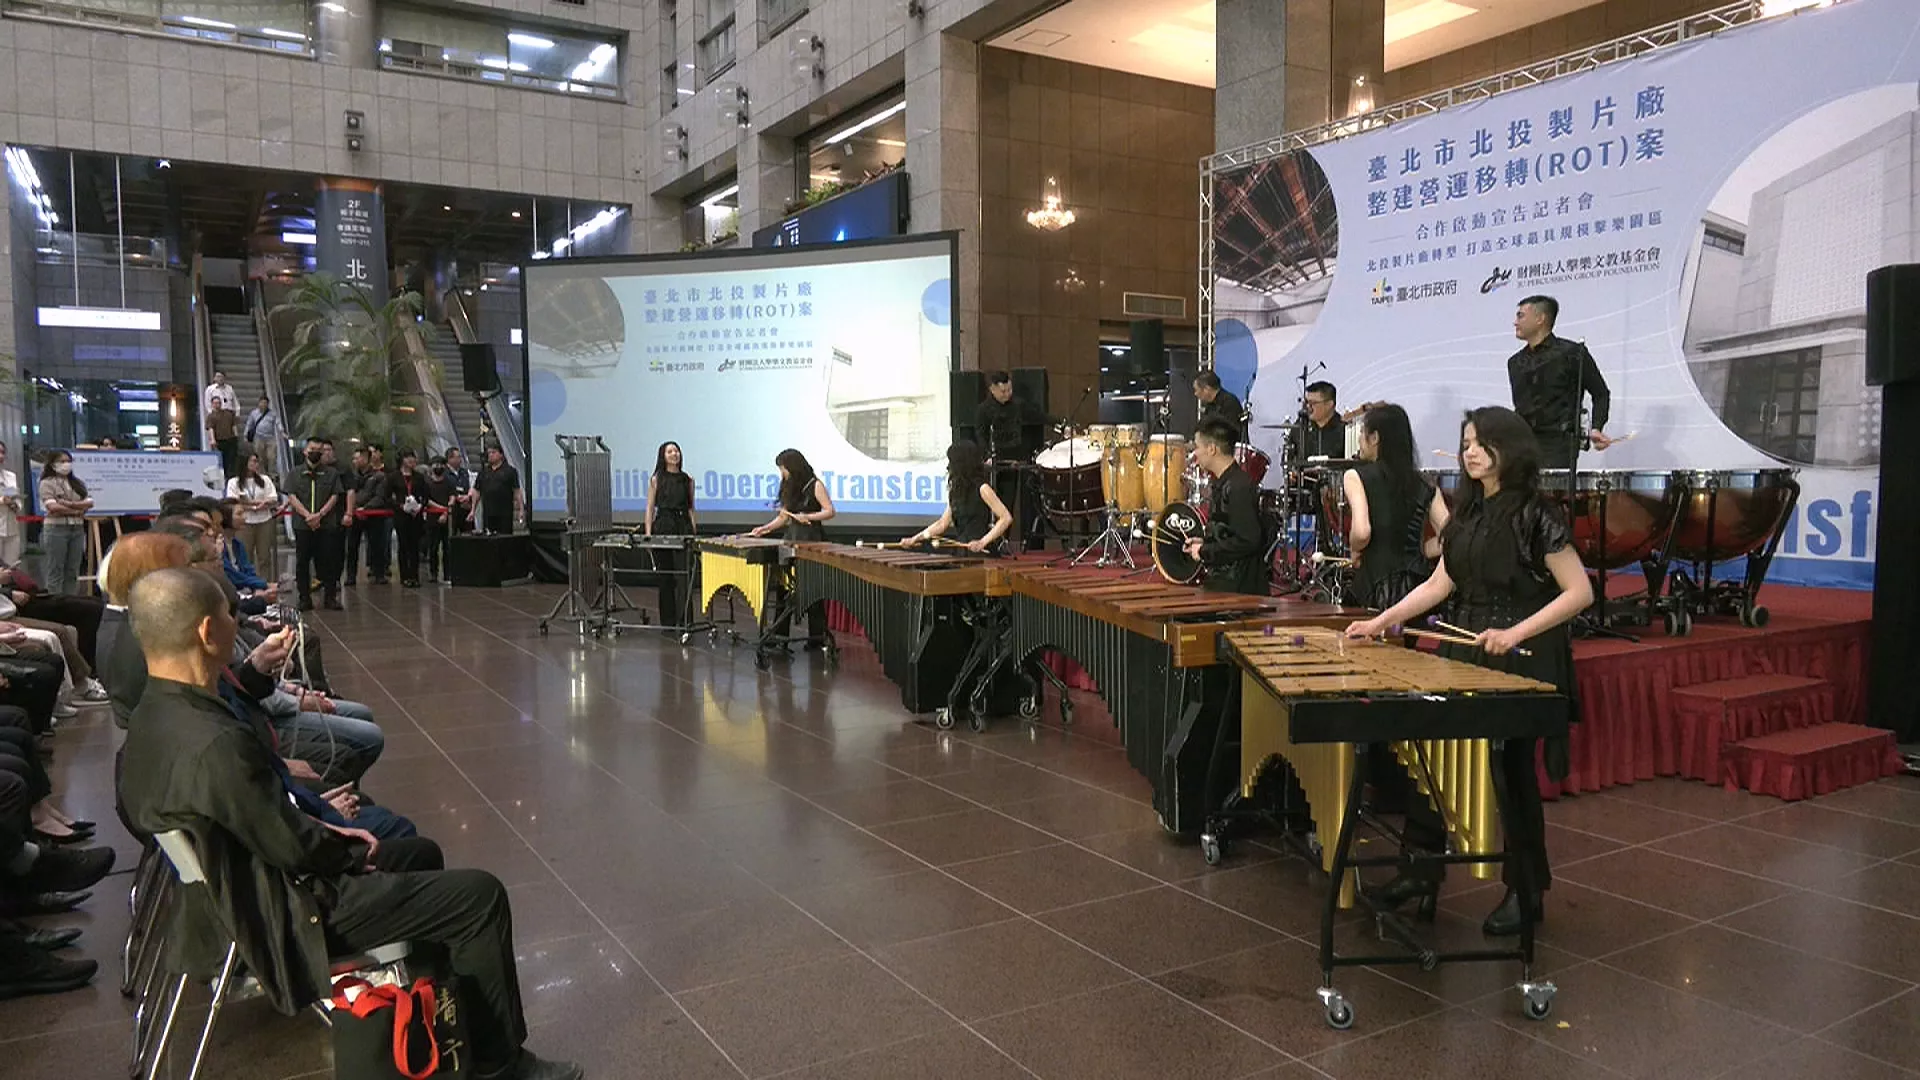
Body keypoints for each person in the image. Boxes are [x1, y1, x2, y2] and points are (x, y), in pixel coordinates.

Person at [117, 568, 583, 1080]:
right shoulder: (215, 743)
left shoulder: (152, 717)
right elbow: (295, 848)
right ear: (208, 632)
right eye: (229, 615)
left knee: (420, 853)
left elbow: (258, 823)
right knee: (479, 898)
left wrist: (329, 834)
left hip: (227, 895)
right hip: (277, 911)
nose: (236, 622)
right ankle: (500, 1066)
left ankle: (436, 1023)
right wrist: (350, 849)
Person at [1343, 406, 1590, 937]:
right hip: (1469, 649)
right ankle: (1420, 872)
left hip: (1522, 658)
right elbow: (1439, 585)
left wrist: (1515, 633)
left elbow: (1579, 591)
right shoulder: (1468, 516)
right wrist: (1381, 621)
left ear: (1509, 449)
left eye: (1481, 443)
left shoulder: (1537, 514)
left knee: (1510, 774)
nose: (1470, 452)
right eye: (1467, 443)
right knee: (1433, 758)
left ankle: (1525, 891)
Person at [1341, 404, 1450, 611]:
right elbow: (1451, 538)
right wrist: (1421, 550)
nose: (1359, 440)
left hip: (1374, 590)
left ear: (1375, 438)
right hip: (1418, 593)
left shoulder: (1355, 476)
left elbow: (1362, 532)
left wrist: (1355, 549)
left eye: (1362, 433)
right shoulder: (1426, 483)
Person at [1508, 295, 1613, 470]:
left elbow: (1600, 393)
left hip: (1559, 444)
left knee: (1552, 486)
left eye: (1521, 316)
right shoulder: (1515, 362)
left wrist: (1596, 427)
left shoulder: (1572, 353)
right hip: (1522, 443)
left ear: (1540, 319)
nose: (1515, 322)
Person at [749, 449, 835, 646]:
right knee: (784, 588)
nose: (782, 473)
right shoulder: (788, 486)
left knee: (812, 590)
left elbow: (830, 511)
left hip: (811, 541)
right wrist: (765, 528)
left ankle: (817, 638)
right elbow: (783, 517)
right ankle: (780, 637)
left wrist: (808, 516)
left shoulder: (815, 485)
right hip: (791, 540)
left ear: (793, 467)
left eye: (783, 468)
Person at [1184, 419, 1268, 595]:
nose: (1194, 454)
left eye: (1197, 447)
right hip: (1224, 582)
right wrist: (1205, 543)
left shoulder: (1238, 487)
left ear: (1212, 449)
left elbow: (1248, 540)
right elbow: (1229, 532)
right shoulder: (1224, 482)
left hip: (1239, 589)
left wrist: (1205, 551)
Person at [903, 441, 1013, 555]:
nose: (948, 466)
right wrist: (915, 538)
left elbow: (1006, 517)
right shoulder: (956, 492)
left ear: (961, 464)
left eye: (951, 462)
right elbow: (942, 524)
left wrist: (982, 542)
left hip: (982, 552)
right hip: (962, 551)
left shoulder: (983, 488)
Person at [972, 372, 1041, 551]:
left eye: (1009, 390)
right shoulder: (984, 410)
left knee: (1007, 503)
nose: (1007, 394)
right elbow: (980, 434)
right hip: (992, 463)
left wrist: (1059, 422)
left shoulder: (1017, 405)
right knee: (991, 503)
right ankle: (988, 541)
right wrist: (986, 455)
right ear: (992, 389)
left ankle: (1003, 541)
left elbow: (1037, 416)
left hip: (1012, 461)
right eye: (1003, 391)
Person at [284, 436, 348, 611]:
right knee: (302, 562)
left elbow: (335, 496)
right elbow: (292, 496)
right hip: (303, 525)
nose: (316, 453)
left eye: (319, 450)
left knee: (328, 561)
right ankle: (304, 598)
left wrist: (319, 515)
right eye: (312, 449)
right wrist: (308, 516)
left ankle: (330, 597)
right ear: (305, 451)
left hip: (326, 524)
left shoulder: (331, 473)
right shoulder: (295, 473)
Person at [36, 451, 91, 596]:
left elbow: (89, 503)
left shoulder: (77, 483)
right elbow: (53, 507)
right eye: (62, 461)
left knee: (73, 570)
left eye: (68, 461)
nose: (66, 464)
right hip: (56, 529)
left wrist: (68, 504)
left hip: (77, 529)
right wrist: (77, 510)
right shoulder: (46, 483)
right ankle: (55, 602)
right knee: (55, 569)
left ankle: (70, 600)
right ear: (52, 464)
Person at [226, 453, 281, 576]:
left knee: (264, 557)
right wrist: (255, 504)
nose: (255, 464)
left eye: (256, 461)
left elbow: (273, 499)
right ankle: (247, 582)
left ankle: (265, 582)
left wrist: (253, 503)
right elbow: (233, 502)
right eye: (252, 461)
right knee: (245, 556)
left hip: (264, 520)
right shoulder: (234, 482)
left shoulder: (265, 479)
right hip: (244, 523)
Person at [344, 447, 391, 587]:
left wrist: (366, 508)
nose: (354, 461)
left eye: (357, 458)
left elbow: (380, 496)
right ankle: (351, 575)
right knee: (352, 546)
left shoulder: (379, 476)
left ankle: (379, 573)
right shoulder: (351, 476)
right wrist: (352, 509)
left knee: (377, 545)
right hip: (354, 514)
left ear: (365, 459)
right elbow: (349, 493)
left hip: (374, 515)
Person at [389, 449, 430, 589]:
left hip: (416, 515)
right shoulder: (394, 477)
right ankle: (404, 576)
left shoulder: (419, 477)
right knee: (403, 545)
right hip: (401, 515)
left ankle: (414, 575)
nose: (412, 460)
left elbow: (426, 494)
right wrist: (400, 506)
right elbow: (387, 496)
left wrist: (420, 506)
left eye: (413, 457)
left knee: (414, 546)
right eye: (408, 457)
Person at [1289, 380, 1345, 462]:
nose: (1308, 406)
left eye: (1312, 403)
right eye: (1306, 402)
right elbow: (1289, 461)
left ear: (1329, 404)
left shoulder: (1345, 430)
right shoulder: (1299, 428)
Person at [474, 444, 522, 535]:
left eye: (493, 452)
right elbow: (477, 491)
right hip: (488, 513)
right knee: (488, 537)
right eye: (489, 453)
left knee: (504, 537)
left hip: (504, 513)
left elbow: (517, 490)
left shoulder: (510, 471)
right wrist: (473, 510)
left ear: (501, 455)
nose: (490, 455)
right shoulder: (483, 472)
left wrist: (521, 509)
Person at [422, 456, 455, 583]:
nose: (438, 467)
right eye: (436, 464)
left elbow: (452, 497)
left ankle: (448, 573)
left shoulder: (449, 482)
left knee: (447, 548)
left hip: (447, 520)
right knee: (433, 548)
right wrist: (441, 508)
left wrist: (446, 511)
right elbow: (426, 500)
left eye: (441, 464)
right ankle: (433, 573)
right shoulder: (427, 483)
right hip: (431, 519)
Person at [1193, 371, 1247, 446]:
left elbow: (1230, 433)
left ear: (1207, 389)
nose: (1195, 394)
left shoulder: (1230, 402)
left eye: (1196, 390)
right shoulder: (1210, 406)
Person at [245, 395, 281, 475]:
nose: (263, 405)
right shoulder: (254, 413)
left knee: (272, 456)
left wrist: (282, 431)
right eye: (262, 403)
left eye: (265, 403)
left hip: (270, 438)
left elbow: (278, 422)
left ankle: (272, 474)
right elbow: (249, 424)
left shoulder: (272, 413)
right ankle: (261, 474)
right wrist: (246, 435)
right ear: (259, 403)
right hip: (258, 438)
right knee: (260, 457)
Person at [206, 399, 241, 479]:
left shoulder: (228, 414)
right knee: (222, 460)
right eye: (215, 403)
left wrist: (236, 435)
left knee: (232, 460)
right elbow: (210, 428)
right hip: (219, 441)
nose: (217, 405)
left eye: (218, 403)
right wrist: (213, 439)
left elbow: (233, 425)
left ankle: (231, 476)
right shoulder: (211, 416)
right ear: (212, 404)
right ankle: (224, 477)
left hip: (230, 439)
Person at [443, 446, 475, 534]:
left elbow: (472, 486)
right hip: (452, 511)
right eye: (458, 457)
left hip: (466, 508)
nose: (460, 459)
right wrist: (457, 497)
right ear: (450, 459)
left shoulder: (464, 472)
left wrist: (468, 496)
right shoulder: (444, 473)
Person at [0, 443, 20, 567]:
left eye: (3, 452)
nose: (1, 456)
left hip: (11, 528)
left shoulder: (10, 476)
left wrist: (14, 504)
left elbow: (16, 497)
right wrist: (2, 500)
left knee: (11, 567)